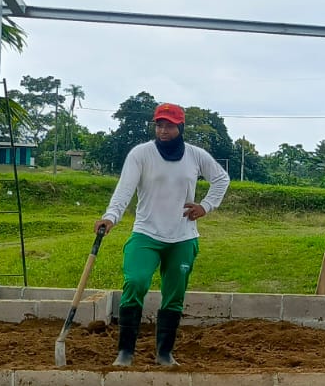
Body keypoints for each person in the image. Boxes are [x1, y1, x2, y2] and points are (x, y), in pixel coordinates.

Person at [96, 103, 230, 367]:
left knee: (174, 294)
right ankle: (125, 352)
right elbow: (124, 189)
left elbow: (221, 179)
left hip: (183, 236)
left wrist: (206, 206)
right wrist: (111, 216)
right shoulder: (141, 154)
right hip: (146, 233)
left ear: (180, 127)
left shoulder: (195, 155)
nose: (163, 130)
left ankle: (164, 353)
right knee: (135, 282)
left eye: (169, 125)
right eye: (159, 125)